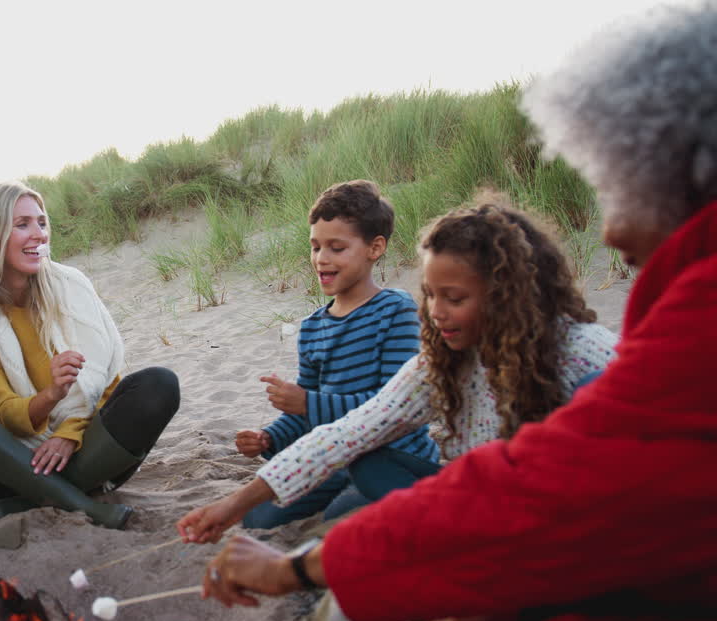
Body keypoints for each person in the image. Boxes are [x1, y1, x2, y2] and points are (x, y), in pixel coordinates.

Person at [200, 5, 717, 621]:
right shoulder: (435, 357)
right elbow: (356, 429)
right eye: (433, 297)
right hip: (569, 548)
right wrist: (243, 495)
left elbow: (536, 498)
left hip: (549, 543)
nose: (609, 228)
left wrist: (300, 568)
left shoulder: (602, 355)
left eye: (618, 187)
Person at [178, 199, 616, 544]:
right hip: (480, 511)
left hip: (563, 520)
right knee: (365, 466)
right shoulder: (443, 362)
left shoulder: (581, 352)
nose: (436, 313)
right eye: (431, 295)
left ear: (505, 295)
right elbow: (348, 432)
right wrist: (234, 503)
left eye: (454, 299)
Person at [0, 181, 179, 529]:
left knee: (159, 385)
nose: (39, 234)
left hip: (92, 455)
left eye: (42, 222)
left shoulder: (71, 286)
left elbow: (104, 384)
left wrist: (69, 433)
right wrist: (53, 394)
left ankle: (39, 498)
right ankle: (80, 502)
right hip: (13, 468)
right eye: (22, 224)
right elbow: (5, 414)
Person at [235, 180, 437, 528]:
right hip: (333, 458)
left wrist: (307, 403)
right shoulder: (313, 327)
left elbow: (394, 406)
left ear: (375, 248)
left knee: (339, 515)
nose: (321, 259)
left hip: (391, 457)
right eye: (315, 247)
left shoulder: (395, 310)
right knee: (257, 517)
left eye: (336, 248)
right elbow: (305, 413)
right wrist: (269, 437)